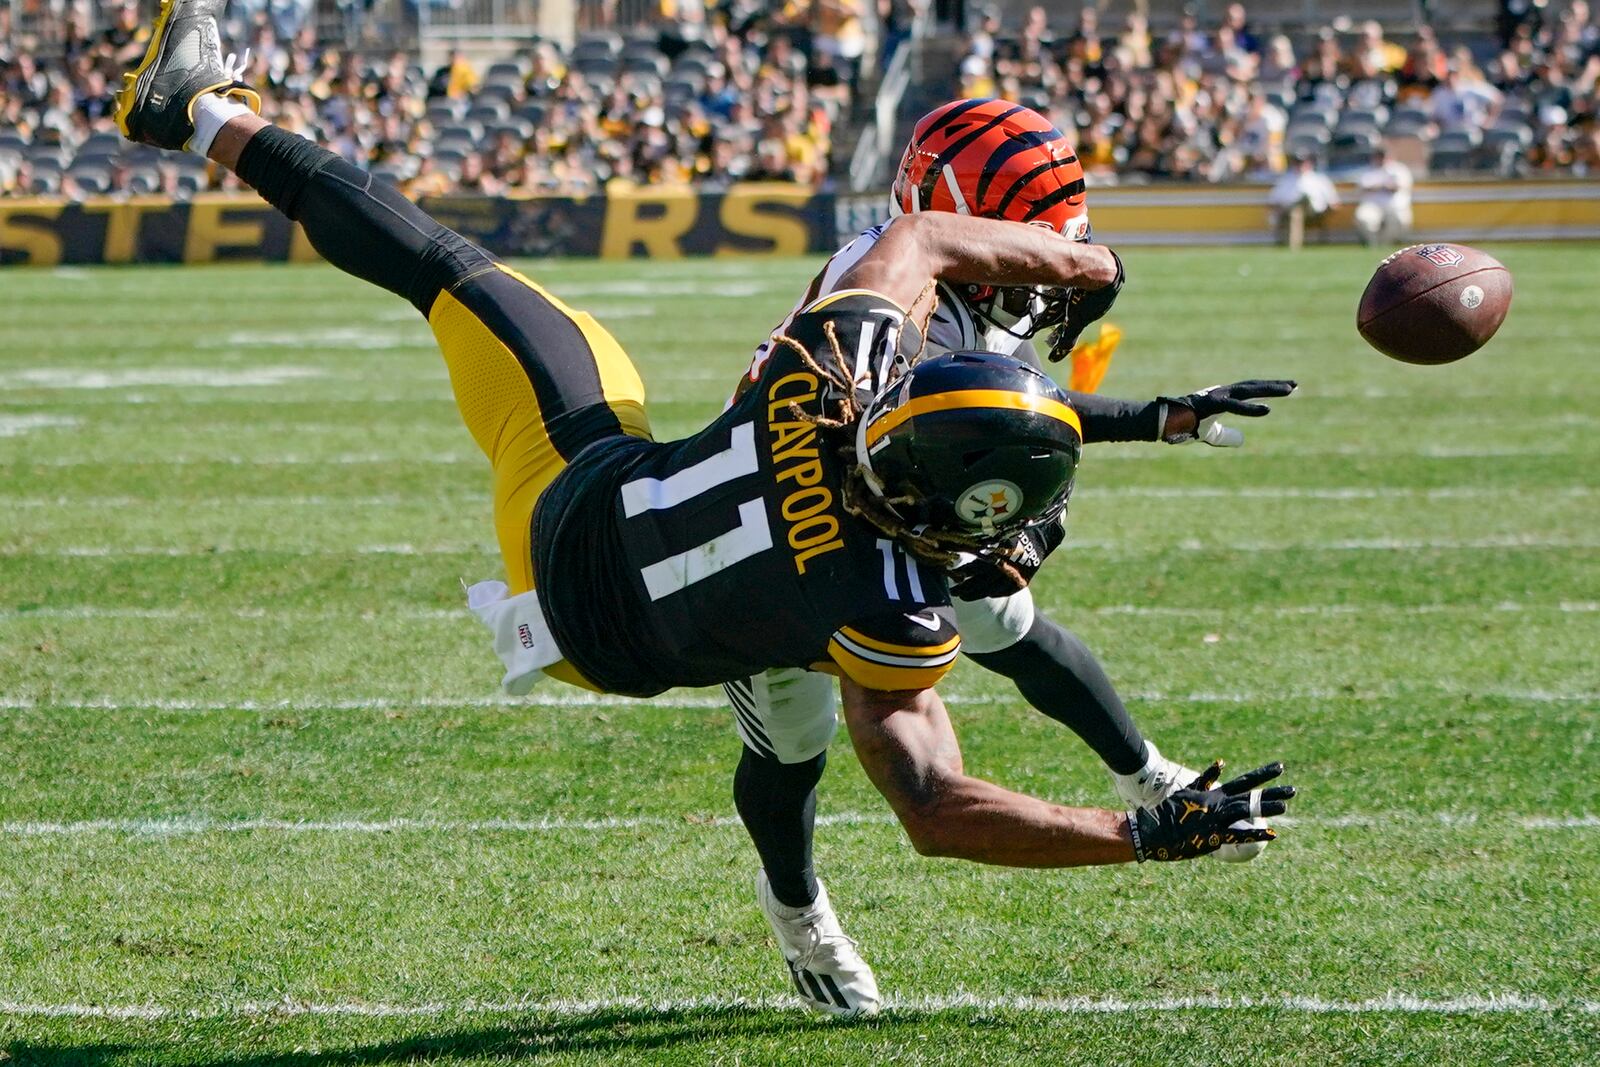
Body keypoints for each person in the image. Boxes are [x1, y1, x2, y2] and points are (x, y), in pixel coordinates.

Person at [115, 0, 1296, 1017]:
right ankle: (811, 906)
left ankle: (206, 114)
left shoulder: (832, 361)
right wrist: (1138, 838)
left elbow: (922, 264)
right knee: (926, 653)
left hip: (582, 496)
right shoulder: (879, 604)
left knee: (451, 271)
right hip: (601, 635)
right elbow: (936, 808)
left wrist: (1123, 379)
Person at [727, 100, 1298, 1015]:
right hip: (790, 530)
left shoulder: (963, 279)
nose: (1044, 274)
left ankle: (1142, 767)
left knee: (1004, 615)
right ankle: (795, 903)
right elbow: (956, 432)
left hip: (903, 490)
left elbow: (1013, 410)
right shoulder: (898, 311)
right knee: (796, 737)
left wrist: (1159, 417)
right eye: (1026, 246)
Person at [1268, 150, 1340, 244]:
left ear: (1310, 163)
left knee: (1301, 206)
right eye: (1298, 163)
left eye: (1303, 162)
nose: (1300, 165)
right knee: (1296, 212)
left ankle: (1295, 244)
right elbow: (1273, 201)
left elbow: (1334, 203)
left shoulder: (1320, 179)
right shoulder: (1285, 180)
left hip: (1315, 212)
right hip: (1289, 211)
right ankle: (1294, 243)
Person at [1353, 147, 1414, 245]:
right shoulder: (1367, 171)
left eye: (1384, 156)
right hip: (1372, 205)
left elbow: (1398, 187)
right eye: (1379, 156)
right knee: (1363, 218)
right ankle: (1372, 245)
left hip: (1395, 206)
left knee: (1400, 220)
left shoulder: (1399, 169)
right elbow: (1363, 188)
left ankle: (1388, 245)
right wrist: (1383, 186)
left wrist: (1380, 186)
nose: (1382, 159)